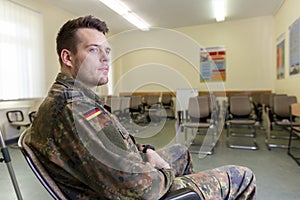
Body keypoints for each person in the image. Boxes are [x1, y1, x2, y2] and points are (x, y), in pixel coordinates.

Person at [26, 15, 256, 199]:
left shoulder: (78, 98)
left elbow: (116, 141)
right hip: (139, 190)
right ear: (68, 58)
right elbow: (142, 191)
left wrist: (146, 151)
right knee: (243, 176)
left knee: (181, 152)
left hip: (131, 172)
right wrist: (163, 170)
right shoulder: (73, 109)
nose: (106, 58)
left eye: (107, 51)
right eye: (94, 49)